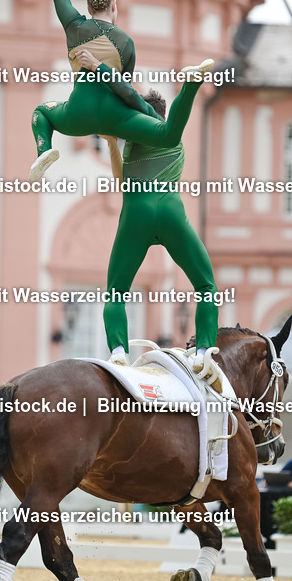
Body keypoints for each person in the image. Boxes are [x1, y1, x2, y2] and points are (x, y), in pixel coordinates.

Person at [27, 0, 212, 183]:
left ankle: (44, 151)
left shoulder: (74, 26)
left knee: (41, 112)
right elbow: (125, 91)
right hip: (115, 116)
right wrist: (146, 117)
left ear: (89, 9)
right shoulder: (126, 42)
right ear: (114, 7)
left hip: (78, 113)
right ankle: (191, 83)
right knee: (168, 135)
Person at [96, 88, 219, 386]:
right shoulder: (170, 135)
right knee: (205, 285)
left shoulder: (133, 141)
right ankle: (204, 350)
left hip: (135, 214)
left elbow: (121, 180)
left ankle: (118, 351)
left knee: (116, 291)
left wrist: (113, 142)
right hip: (170, 212)